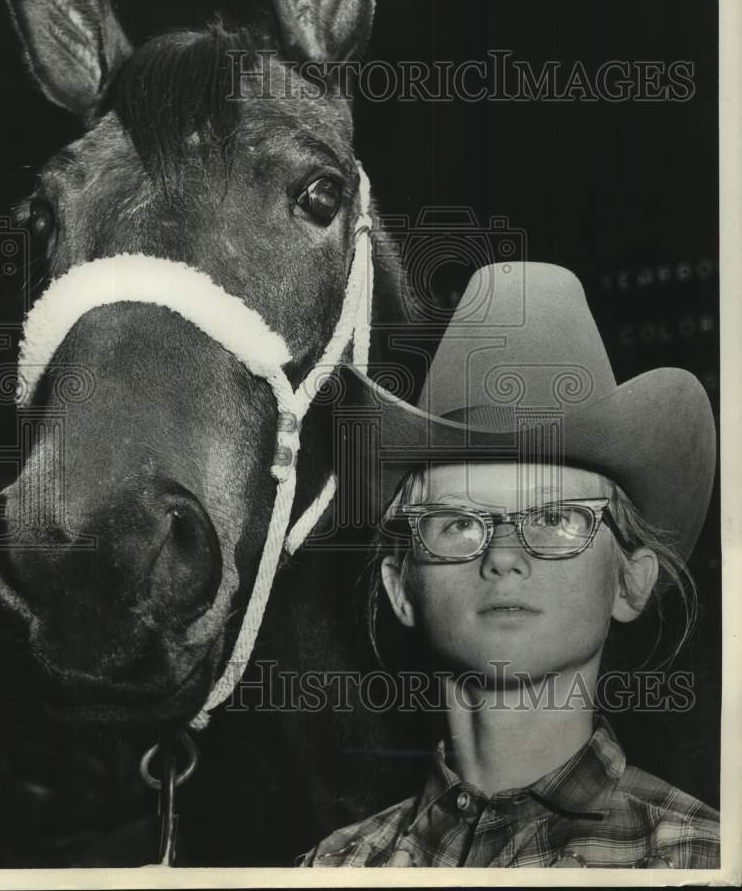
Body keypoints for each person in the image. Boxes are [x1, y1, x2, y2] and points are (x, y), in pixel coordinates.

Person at [300, 262, 720, 869]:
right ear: (401, 588)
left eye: (554, 518)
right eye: (458, 522)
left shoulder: (699, 860)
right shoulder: (335, 869)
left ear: (631, 581)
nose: (502, 556)